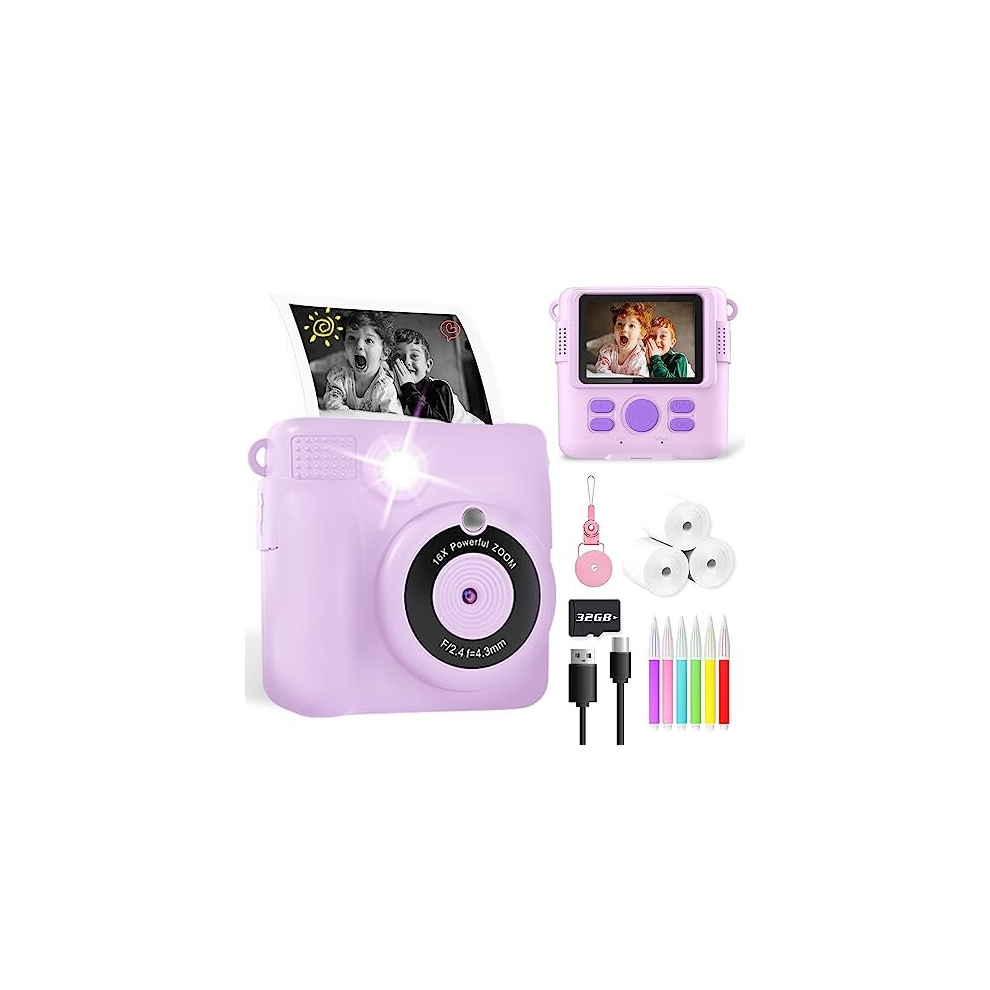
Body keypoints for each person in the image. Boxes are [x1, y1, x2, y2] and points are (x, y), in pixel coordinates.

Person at [391, 328, 481, 423]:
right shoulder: (395, 391)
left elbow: (439, 424)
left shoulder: (439, 387)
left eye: (414, 356)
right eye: (398, 356)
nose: (406, 362)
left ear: (428, 365)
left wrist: (408, 387)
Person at [323, 311, 402, 414]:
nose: (359, 345)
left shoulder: (385, 387)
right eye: (351, 338)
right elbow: (332, 404)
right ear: (344, 345)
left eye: (369, 340)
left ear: (384, 353)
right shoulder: (339, 376)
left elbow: (392, 419)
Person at [595, 302, 652, 376]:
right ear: (614, 328)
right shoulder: (608, 350)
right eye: (620, 324)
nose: (624, 329)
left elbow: (641, 378)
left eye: (631, 325)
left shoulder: (639, 357)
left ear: (642, 333)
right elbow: (600, 369)